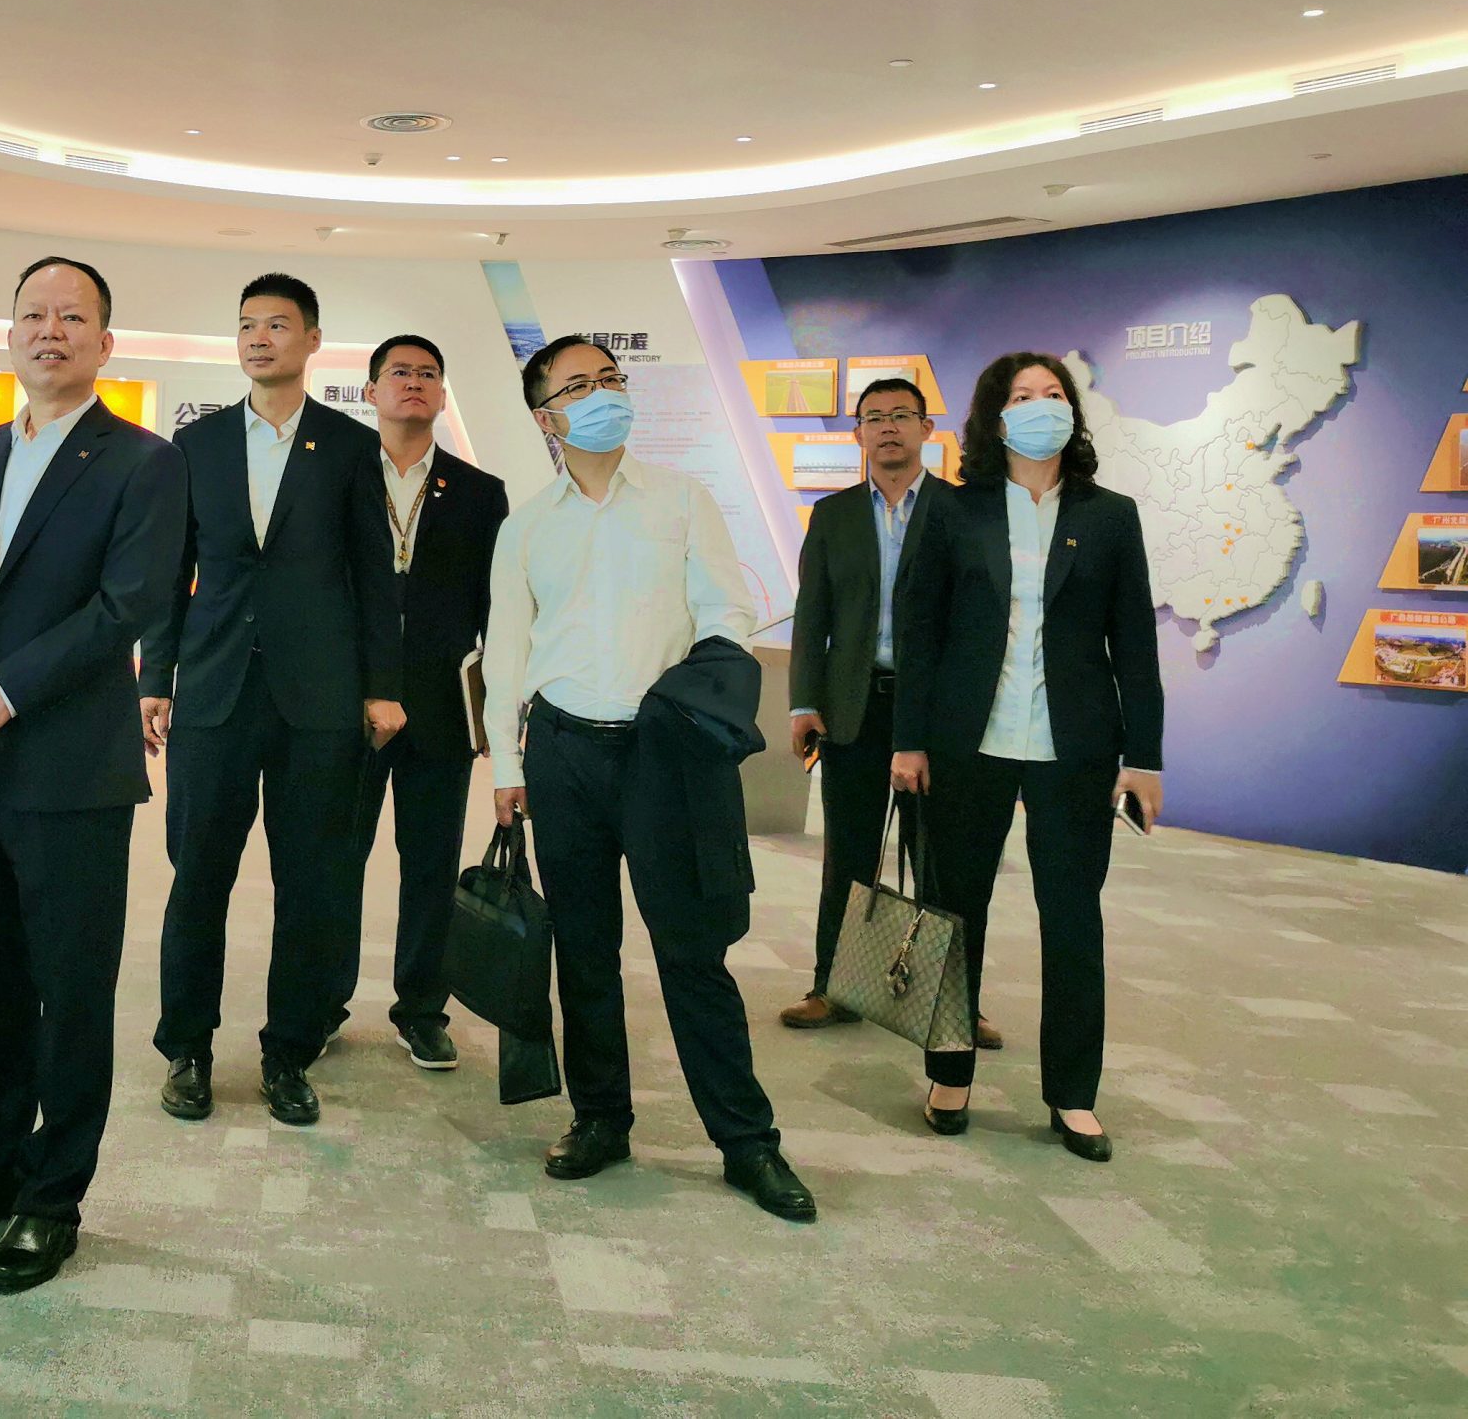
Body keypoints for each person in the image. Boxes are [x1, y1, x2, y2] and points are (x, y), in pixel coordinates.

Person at [0, 257, 187, 1294]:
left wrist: (9, 690)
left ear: (104, 343)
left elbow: (129, 603)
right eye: (32, 314)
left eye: (71, 316)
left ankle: (53, 1196)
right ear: (9, 335)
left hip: (72, 772)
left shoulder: (144, 463)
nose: (48, 330)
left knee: (69, 988)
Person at [484, 336, 815, 1222]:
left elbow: (727, 609)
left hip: (663, 755)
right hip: (563, 754)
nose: (602, 395)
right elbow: (507, 648)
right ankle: (601, 1118)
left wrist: (690, 696)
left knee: (692, 952)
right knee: (585, 949)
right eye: (578, 386)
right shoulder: (527, 525)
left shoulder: (681, 499)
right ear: (546, 417)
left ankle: (747, 1142)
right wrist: (507, 764)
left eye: (610, 378)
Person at [141, 273, 406, 1127]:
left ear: (312, 340)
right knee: (197, 879)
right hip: (214, 691)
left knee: (312, 884)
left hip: (318, 698)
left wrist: (382, 686)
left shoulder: (350, 445)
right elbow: (169, 572)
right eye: (248, 325)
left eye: (278, 325)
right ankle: (187, 1048)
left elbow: (374, 575)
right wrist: (155, 677)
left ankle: (289, 1052)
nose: (259, 338)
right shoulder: (198, 443)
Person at [890, 352, 1164, 1162]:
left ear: (1071, 412)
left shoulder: (1109, 516)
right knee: (955, 912)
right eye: (1022, 395)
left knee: (1073, 920)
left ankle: (1073, 1095)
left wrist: (1144, 756)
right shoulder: (954, 508)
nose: (1040, 406)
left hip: (1074, 747)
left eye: (1053, 394)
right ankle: (949, 1074)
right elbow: (920, 631)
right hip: (967, 742)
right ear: (995, 415)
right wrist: (908, 739)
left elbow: (1135, 644)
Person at [780, 379, 1000, 1050]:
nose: (887, 427)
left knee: (943, 861)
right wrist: (804, 702)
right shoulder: (834, 515)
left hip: (937, 714)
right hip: (854, 708)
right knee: (847, 857)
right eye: (873, 417)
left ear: (927, 429)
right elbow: (813, 614)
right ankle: (832, 986)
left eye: (902, 415)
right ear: (858, 435)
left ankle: (955, 1000)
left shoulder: (961, 511)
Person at [331, 335, 509, 1071]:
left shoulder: (479, 491)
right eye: (399, 372)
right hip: (346, 704)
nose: (414, 382)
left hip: (440, 709)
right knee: (334, 859)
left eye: (428, 374)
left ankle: (422, 1010)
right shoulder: (337, 478)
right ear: (371, 391)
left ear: (441, 394)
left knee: (431, 864)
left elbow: (496, 610)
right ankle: (322, 1001)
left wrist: (500, 708)